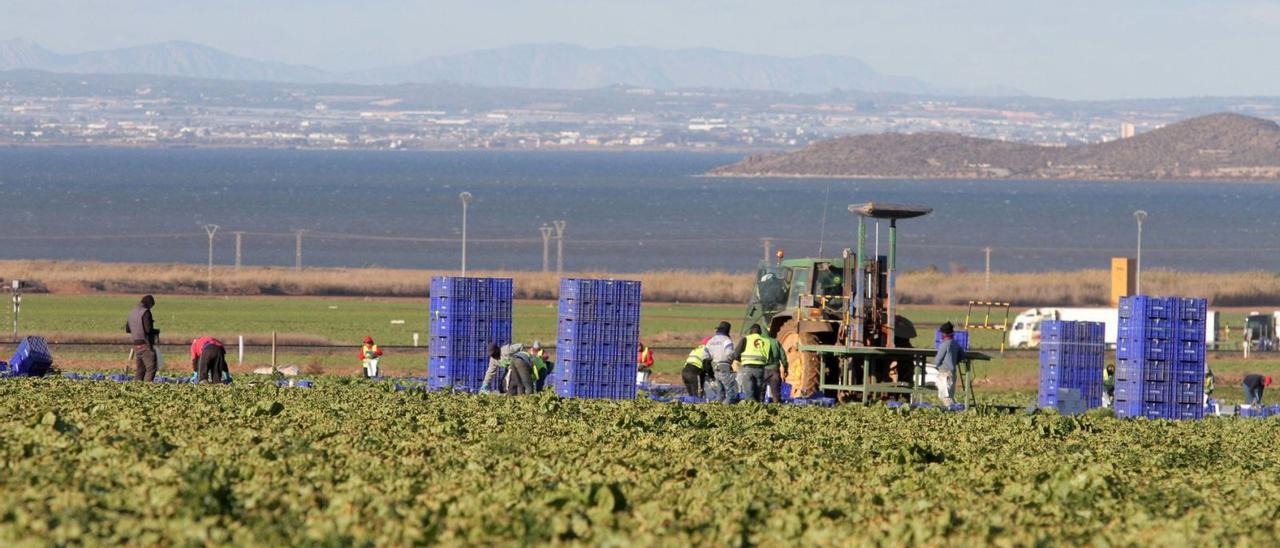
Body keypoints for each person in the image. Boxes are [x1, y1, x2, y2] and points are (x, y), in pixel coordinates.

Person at [124, 295, 160, 382]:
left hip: (136, 345)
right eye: (151, 306)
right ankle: (146, 387)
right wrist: (156, 331)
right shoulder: (145, 312)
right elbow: (148, 330)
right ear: (149, 304)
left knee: (140, 370)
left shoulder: (132, 313)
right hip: (145, 344)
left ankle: (137, 388)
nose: (151, 308)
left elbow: (128, 329)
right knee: (151, 368)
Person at [701, 321, 739, 403]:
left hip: (716, 368)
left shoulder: (711, 341)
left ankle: (718, 410)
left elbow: (705, 356)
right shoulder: (726, 340)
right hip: (725, 367)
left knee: (720, 394)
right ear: (727, 330)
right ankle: (727, 409)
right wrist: (733, 358)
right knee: (731, 394)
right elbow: (729, 353)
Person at [737, 325, 772, 402]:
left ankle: (750, 411)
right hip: (760, 370)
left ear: (750, 331)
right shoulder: (767, 342)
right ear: (760, 332)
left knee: (749, 395)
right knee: (757, 395)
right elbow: (770, 359)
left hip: (747, 369)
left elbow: (736, 354)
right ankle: (757, 411)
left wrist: (742, 360)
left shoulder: (745, 339)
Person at [934, 321, 964, 406]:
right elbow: (962, 355)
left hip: (945, 373)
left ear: (943, 333)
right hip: (952, 373)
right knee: (950, 395)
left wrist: (937, 366)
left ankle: (951, 411)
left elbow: (937, 360)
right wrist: (954, 361)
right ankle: (954, 411)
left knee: (945, 397)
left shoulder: (945, 344)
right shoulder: (955, 343)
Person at [762, 330, 789, 403]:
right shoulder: (775, 342)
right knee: (776, 395)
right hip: (774, 371)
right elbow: (783, 357)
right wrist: (785, 368)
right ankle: (777, 411)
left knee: (760, 396)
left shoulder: (759, 343)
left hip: (762, 371)